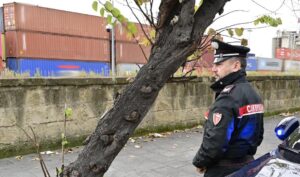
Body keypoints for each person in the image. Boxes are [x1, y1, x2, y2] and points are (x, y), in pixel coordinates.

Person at [192, 39, 264, 177]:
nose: (213, 69)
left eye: (219, 64)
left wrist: (201, 162)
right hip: (248, 165)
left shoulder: (227, 98)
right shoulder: (253, 93)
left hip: (224, 169)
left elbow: (215, 142)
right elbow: (259, 136)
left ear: (236, 65)